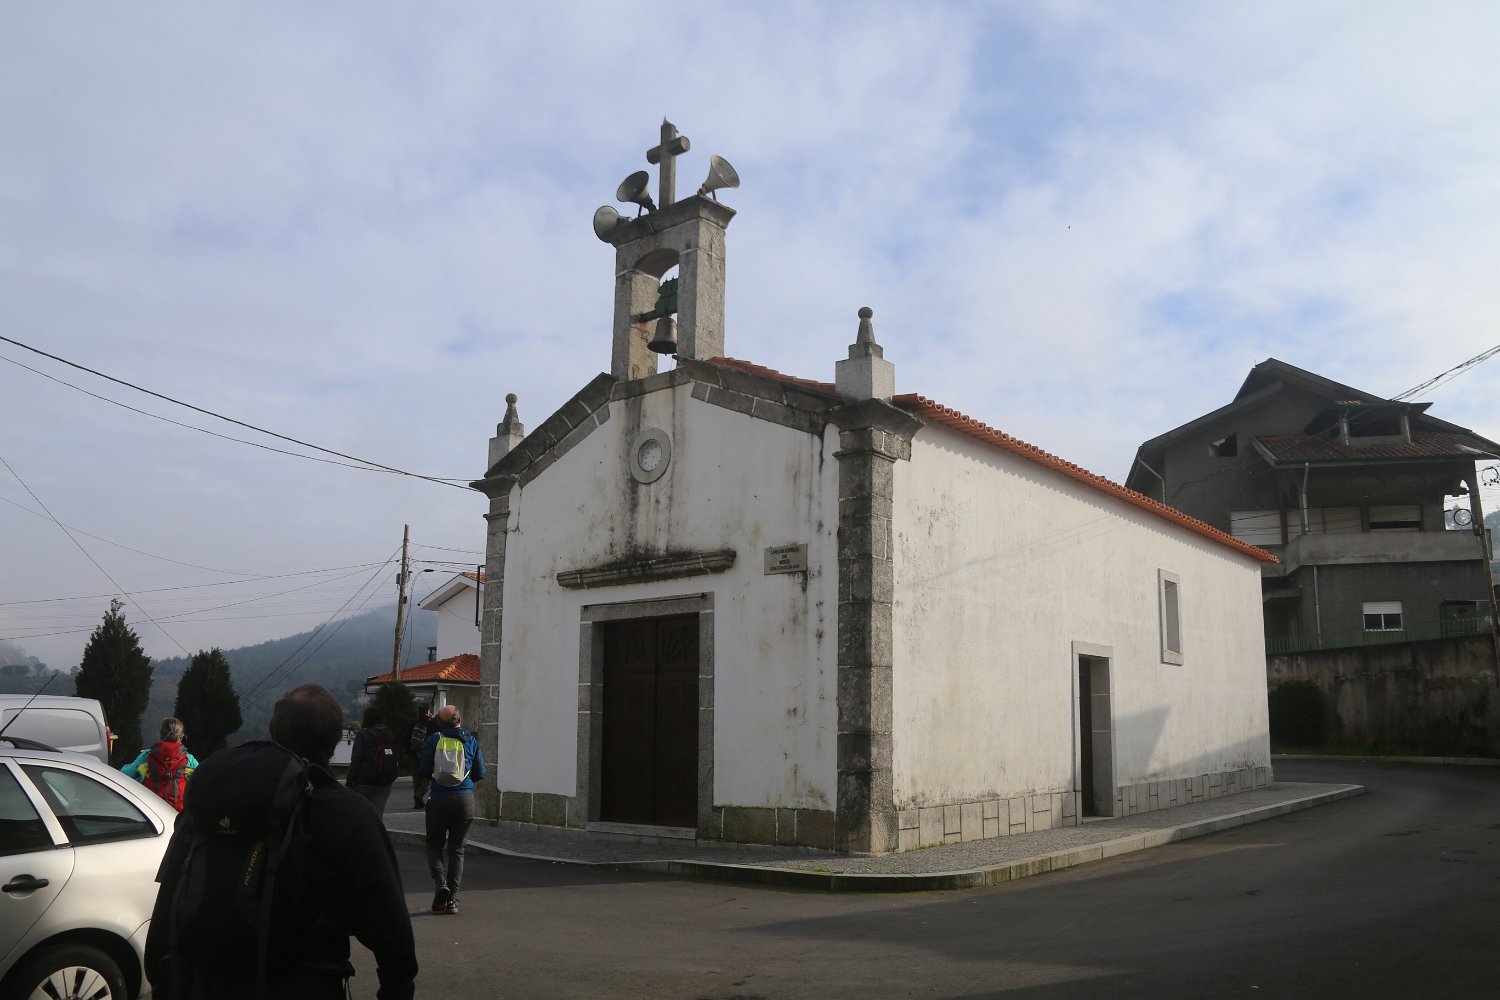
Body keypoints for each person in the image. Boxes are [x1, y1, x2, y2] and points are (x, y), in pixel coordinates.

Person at [145, 683, 418, 1000]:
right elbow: (391, 929)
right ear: (332, 744)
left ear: (275, 733)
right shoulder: (348, 814)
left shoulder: (212, 799)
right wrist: (397, 989)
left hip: (201, 985)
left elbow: (168, 901)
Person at [420, 703, 485, 914]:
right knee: (457, 849)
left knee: (434, 845)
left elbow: (423, 769)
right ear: (459, 720)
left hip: (439, 798)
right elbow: (480, 773)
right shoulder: (470, 740)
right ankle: (452, 901)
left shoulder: (433, 740)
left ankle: (441, 884)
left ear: (440, 724)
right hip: (464, 799)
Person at [121, 717, 199, 811]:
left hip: (149, 809)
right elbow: (202, 780)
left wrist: (126, 766)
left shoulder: (147, 755)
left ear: (161, 734)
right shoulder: (188, 759)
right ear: (181, 736)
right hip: (177, 811)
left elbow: (124, 775)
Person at [346, 705, 398, 815]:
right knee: (378, 816)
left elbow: (356, 760)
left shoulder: (363, 734)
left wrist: (349, 782)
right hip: (385, 783)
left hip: (363, 783)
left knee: (361, 816)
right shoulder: (388, 733)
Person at [407, 703, 435, 808]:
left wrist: (409, 752)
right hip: (426, 753)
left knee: (416, 777)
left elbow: (406, 739)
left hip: (413, 754)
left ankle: (417, 801)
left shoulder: (412, 723)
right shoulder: (430, 723)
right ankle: (419, 794)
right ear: (428, 712)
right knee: (427, 775)